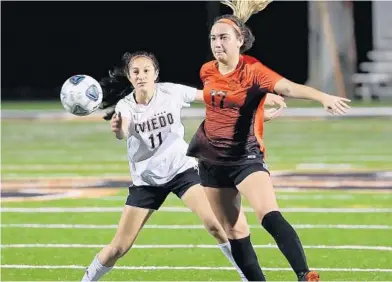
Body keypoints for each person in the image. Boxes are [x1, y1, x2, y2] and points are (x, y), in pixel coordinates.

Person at [81, 51, 285, 281]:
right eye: (135, 71)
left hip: (182, 171)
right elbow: (123, 132)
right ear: (129, 77)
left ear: (155, 73)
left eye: (146, 70)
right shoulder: (125, 106)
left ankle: (248, 277)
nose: (141, 76)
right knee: (119, 247)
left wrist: (259, 101)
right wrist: (118, 127)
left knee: (217, 226)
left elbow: (215, 95)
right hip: (147, 181)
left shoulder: (171, 92)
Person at [186, 1, 352, 281]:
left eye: (224, 37)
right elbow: (229, 107)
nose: (217, 43)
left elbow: (286, 86)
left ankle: (304, 274)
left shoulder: (254, 71)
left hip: (244, 158)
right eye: (213, 38)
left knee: (269, 214)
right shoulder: (206, 71)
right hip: (211, 160)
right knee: (235, 232)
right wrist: (262, 105)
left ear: (240, 40)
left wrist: (322, 97)